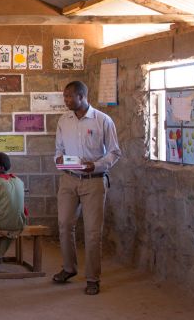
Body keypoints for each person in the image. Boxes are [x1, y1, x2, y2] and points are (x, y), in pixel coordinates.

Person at [53, 80, 121, 296]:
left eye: (69, 96)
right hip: (68, 179)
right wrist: (61, 159)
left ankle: (92, 278)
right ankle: (69, 268)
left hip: (94, 180)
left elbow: (114, 152)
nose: (66, 100)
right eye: (65, 96)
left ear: (82, 96)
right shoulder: (64, 121)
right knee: (64, 225)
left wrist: (97, 165)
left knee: (92, 232)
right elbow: (58, 150)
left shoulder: (103, 120)